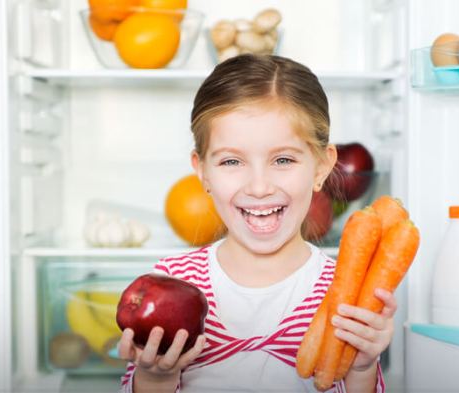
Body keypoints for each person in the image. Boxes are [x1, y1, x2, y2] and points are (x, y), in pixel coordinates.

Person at [117, 54, 394, 393]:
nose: (259, 187)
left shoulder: (344, 293)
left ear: (322, 167)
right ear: (202, 170)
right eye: (232, 161)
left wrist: (362, 368)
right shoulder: (173, 280)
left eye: (283, 159)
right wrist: (156, 376)